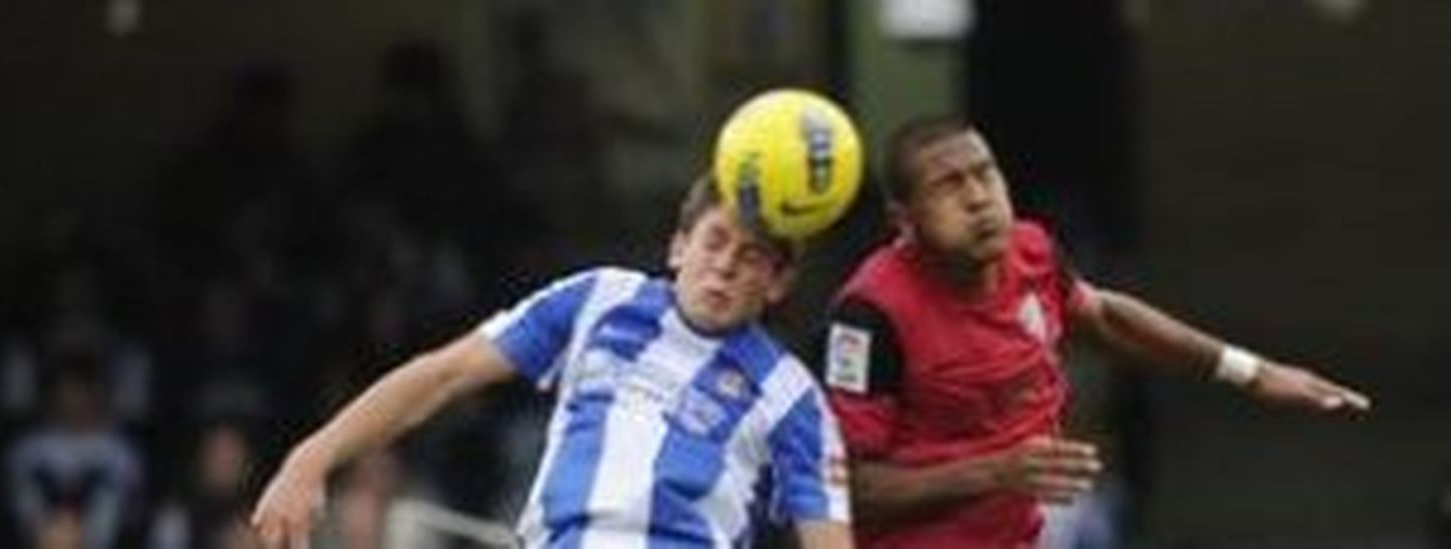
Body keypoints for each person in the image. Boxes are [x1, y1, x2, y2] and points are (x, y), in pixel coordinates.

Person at [818, 119, 1371, 547]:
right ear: (904, 220)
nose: (978, 198)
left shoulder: (1031, 251)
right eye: (948, 185)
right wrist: (995, 471)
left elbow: (1101, 317)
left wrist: (1252, 373)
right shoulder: (869, 315)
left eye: (985, 173)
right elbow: (844, 488)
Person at [251, 176, 854, 548]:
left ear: (778, 283)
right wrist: (311, 458)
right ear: (678, 245)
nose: (724, 265)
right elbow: (442, 376)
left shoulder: (793, 397)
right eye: (714, 241)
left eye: (751, 257)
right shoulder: (599, 298)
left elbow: (828, 538)